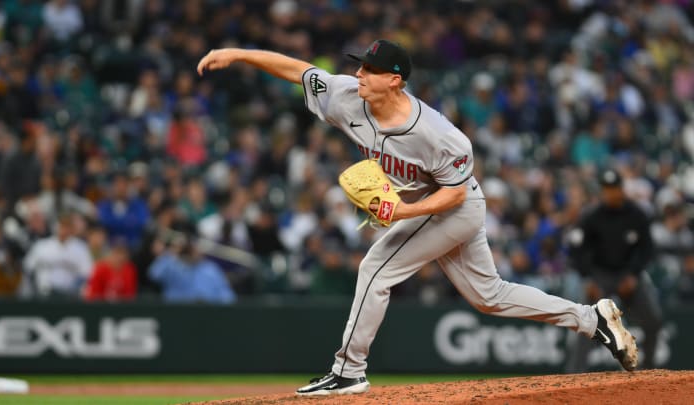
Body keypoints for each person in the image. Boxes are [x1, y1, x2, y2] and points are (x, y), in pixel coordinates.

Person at [197, 39, 638, 396]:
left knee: (376, 267)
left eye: (369, 71)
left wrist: (404, 210)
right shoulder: (346, 98)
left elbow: (456, 192)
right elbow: (299, 70)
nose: (358, 75)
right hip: (436, 205)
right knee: (489, 295)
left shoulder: (439, 135)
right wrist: (238, 54)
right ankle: (591, 318)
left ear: (395, 80)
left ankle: (349, 371)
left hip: (456, 206)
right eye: (359, 67)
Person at [567, 169, 663, 371]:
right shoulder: (592, 216)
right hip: (599, 275)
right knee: (585, 324)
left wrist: (634, 275)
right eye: (606, 189)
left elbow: (647, 249)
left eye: (613, 188)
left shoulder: (636, 214)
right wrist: (588, 279)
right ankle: (575, 376)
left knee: (653, 320)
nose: (610, 193)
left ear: (621, 189)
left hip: (628, 274)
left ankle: (650, 371)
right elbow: (576, 249)